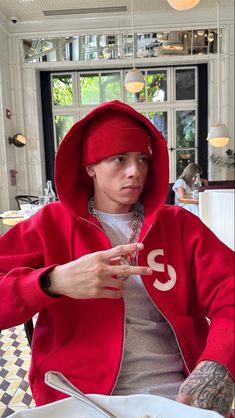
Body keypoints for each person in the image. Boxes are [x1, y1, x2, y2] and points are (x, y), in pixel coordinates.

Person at [0, 100, 234, 417]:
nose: (134, 171)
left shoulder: (179, 225)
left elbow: (230, 290)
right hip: (81, 400)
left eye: (143, 159)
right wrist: (52, 282)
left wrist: (220, 362)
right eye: (118, 158)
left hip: (179, 399)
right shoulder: (50, 225)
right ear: (89, 167)